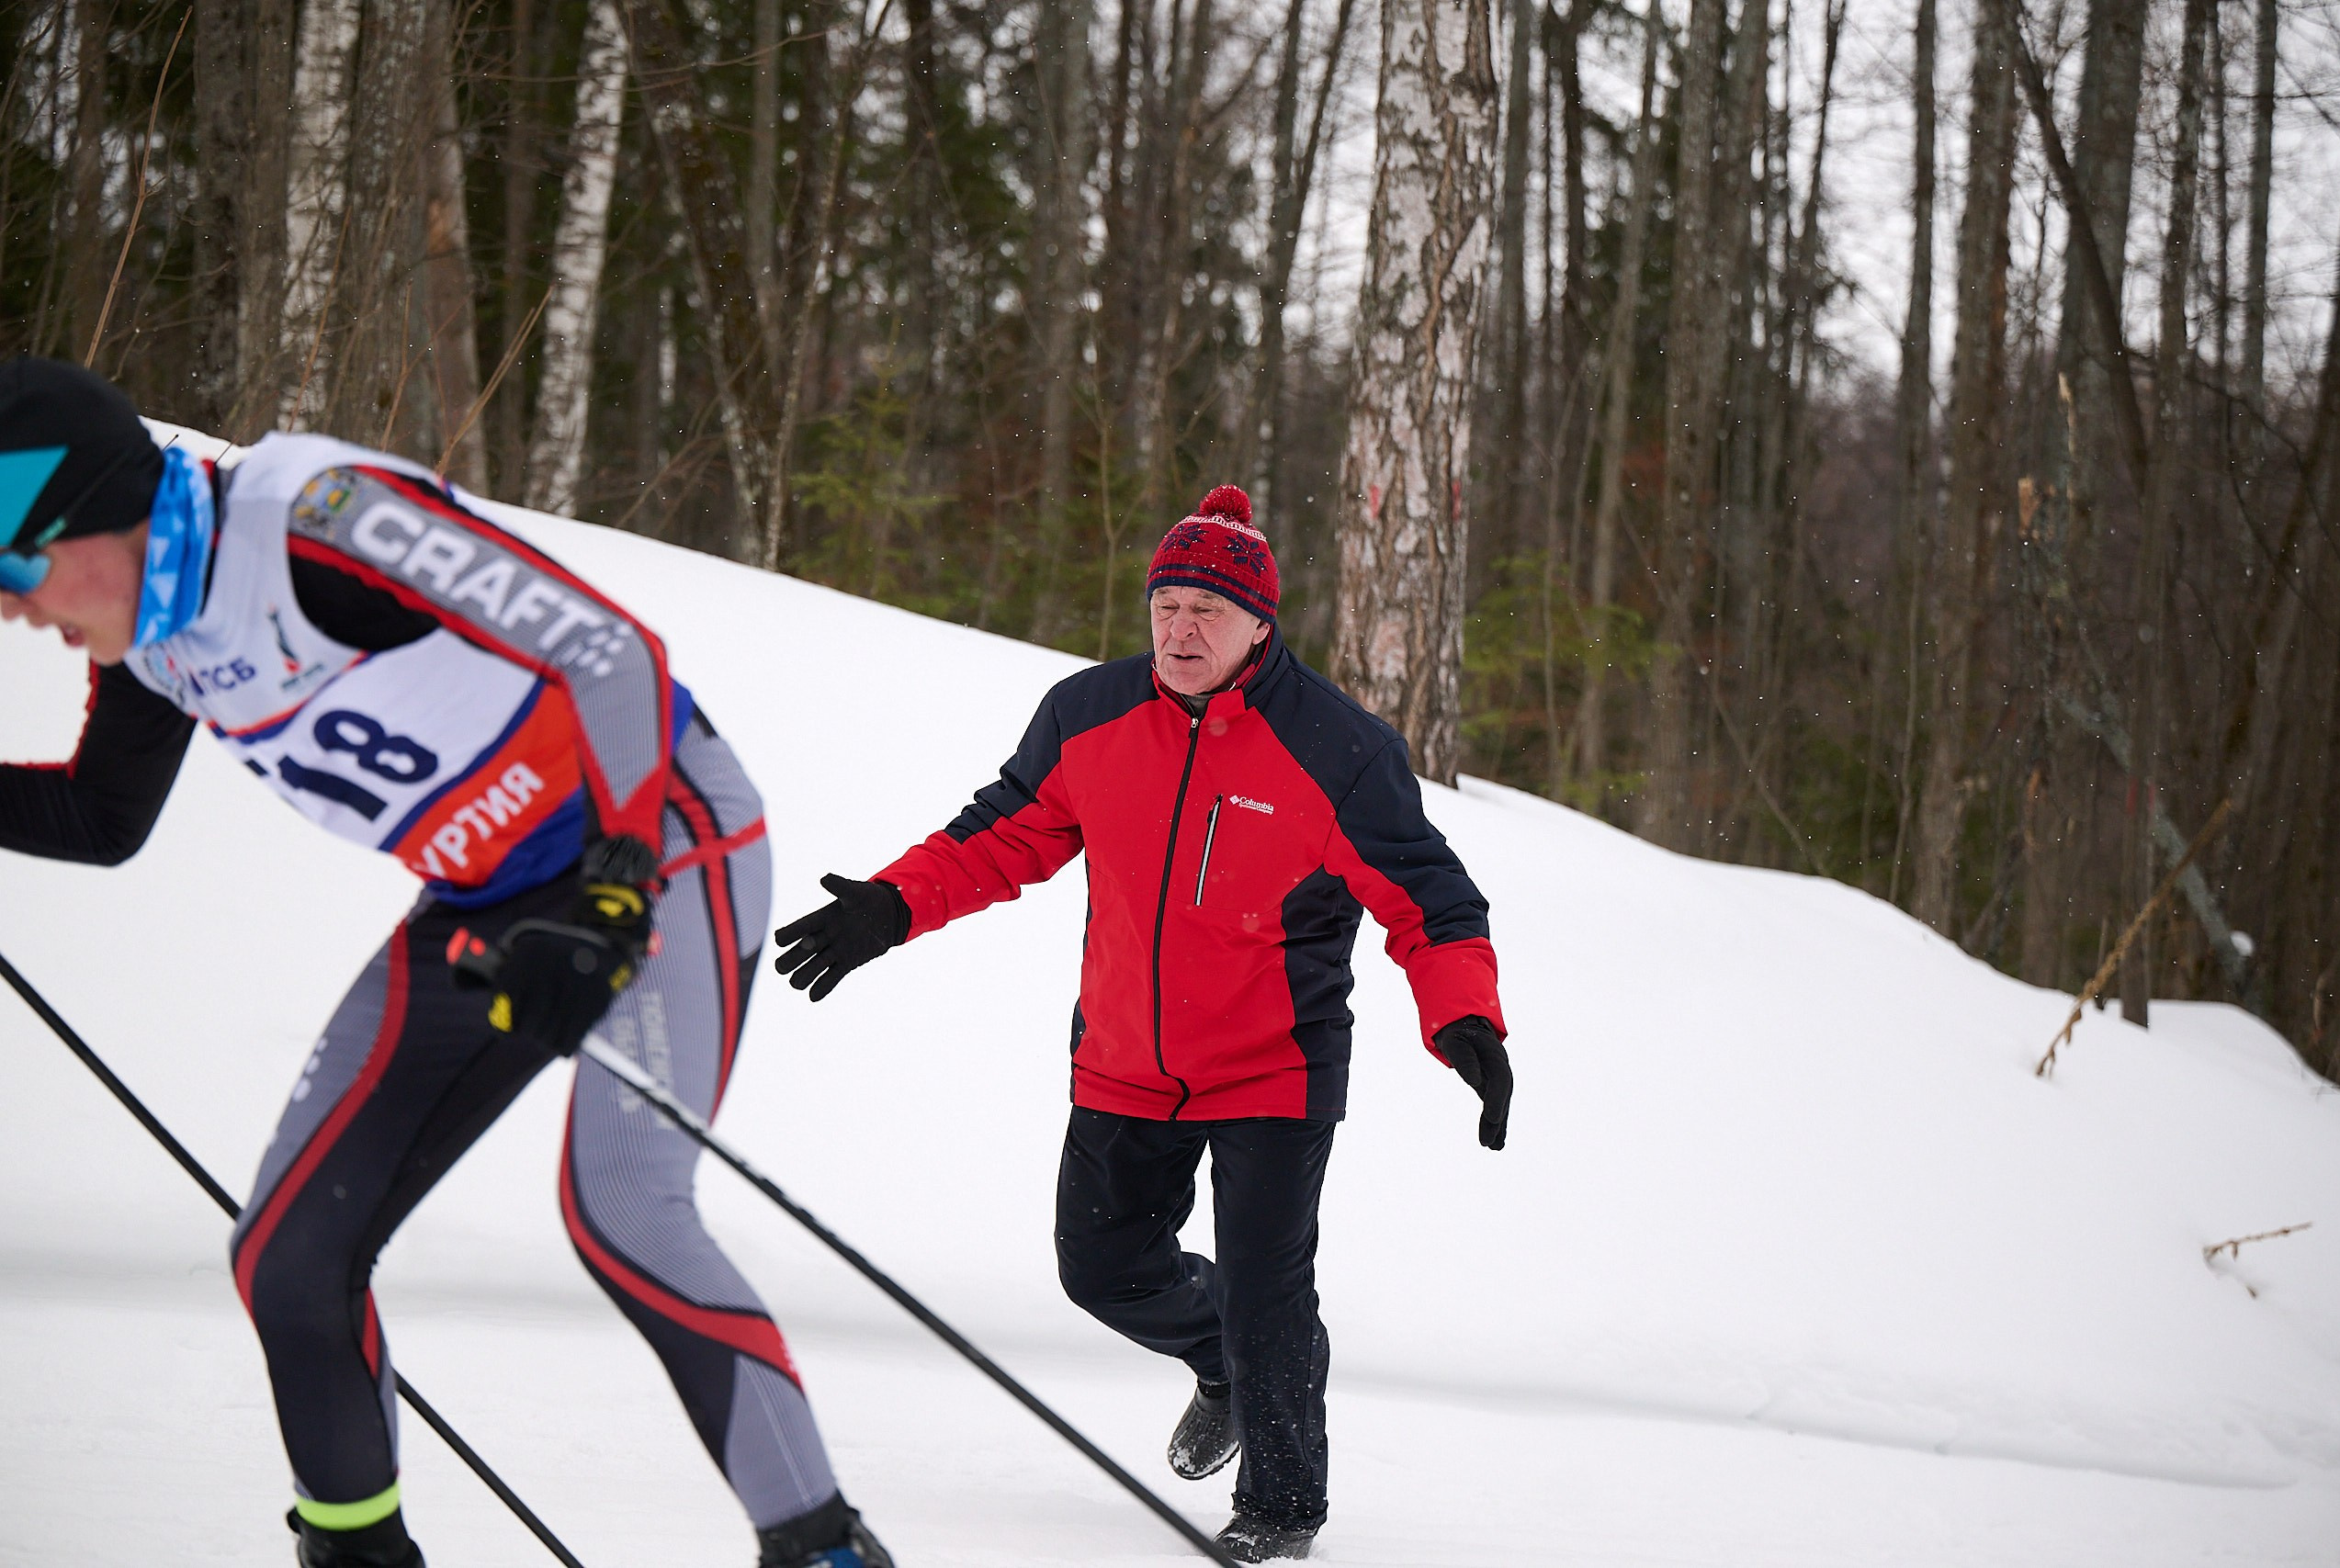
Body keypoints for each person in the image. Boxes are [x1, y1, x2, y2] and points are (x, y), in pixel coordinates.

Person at [0, 358, 888, 1568]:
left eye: (14, 565)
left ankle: (822, 1546)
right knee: (290, 1254)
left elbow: (612, 652)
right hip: (487, 896)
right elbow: (105, 820)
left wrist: (620, 886)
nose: (12, 610)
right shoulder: (156, 639)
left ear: (96, 507)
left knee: (623, 1206)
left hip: (665, 834)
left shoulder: (311, 514)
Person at [773, 484, 1512, 1562]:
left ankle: (1277, 1511)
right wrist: (890, 904)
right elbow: (997, 839)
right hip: (1126, 1056)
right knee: (1101, 1267)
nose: (1180, 630)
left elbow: (1431, 904)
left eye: (1208, 610)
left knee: (1269, 1293)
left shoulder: (1340, 751)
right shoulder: (1091, 715)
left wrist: (1465, 1023)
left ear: (1262, 623)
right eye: (1166, 604)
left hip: (1276, 1067)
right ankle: (1231, 1362)